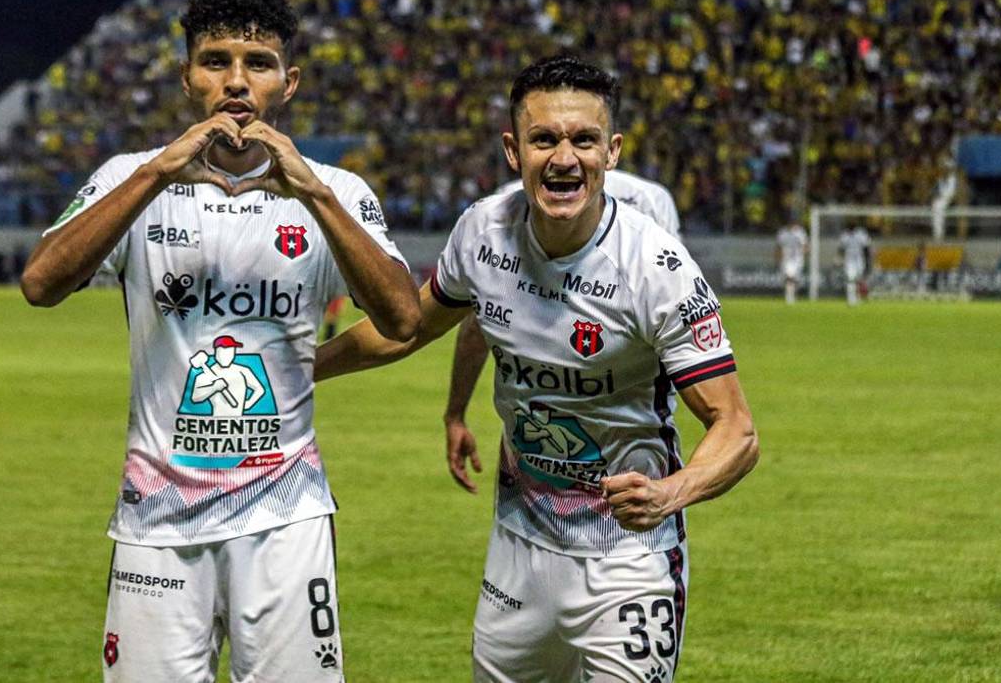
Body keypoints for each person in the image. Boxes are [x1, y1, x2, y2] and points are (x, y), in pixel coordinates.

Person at [19, 0, 420, 683]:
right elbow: (41, 283)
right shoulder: (130, 177)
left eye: (258, 64)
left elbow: (402, 317)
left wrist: (316, 194)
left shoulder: (336, 190)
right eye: (216, 61)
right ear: (187, 78)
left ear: (287, 83)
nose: (237, 81)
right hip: (158, 518)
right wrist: (156, 172)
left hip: (285, 515)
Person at [316, 56, 759, 682]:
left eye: (583, 140)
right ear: (512, 149)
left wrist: (669, 493)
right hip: (519, 550)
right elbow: (406, 329)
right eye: (544, 138)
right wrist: (302, 368)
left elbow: (736, 429)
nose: (563, 158)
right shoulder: (483, 233)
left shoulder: (656, 267)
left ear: (612, 152)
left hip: (628, 560)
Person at [445, 167, 682, 468]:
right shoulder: (651, 197)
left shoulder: (507, 200)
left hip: (557, 449)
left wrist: (455, 413)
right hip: (593, 457)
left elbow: (476, 326)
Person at [837, 223, 872, 306]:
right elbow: (841, 248)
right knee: (850, 278)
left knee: (859, 279)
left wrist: (868, 261)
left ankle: (858, 297)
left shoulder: (861, 234)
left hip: (860, 260)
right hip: (849, 261)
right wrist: (838, 258)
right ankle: (851, 299)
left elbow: (866, 247)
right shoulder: (844, 236)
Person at [775, 218, 808, 304]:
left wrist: (804, 253)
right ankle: (789, 298)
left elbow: (805, 246)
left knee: (795, 279)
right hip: (786, 259)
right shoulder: (782, 233)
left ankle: (792, 295)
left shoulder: (800, 233)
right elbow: (778, 246)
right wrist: (778, 258)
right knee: (789, 277)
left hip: (798, 259)